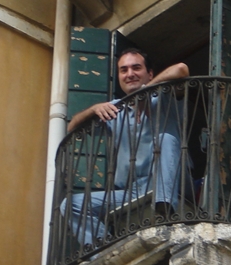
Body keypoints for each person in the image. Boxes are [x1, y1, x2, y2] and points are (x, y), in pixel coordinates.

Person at [65, 49, 189, 246]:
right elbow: (71, 127)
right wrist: (94, 109)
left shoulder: (164, 96)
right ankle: (102, 249)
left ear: (149, 73)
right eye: (124, 70)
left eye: (136, 68)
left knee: (165, 138)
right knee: (71, 204)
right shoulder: (116, 108)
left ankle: (164, 210)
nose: (130, 74)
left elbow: (181, 70)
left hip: (172, 183)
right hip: (130, 191)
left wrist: (147, 90)